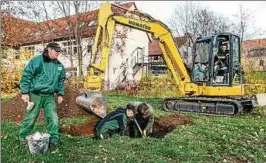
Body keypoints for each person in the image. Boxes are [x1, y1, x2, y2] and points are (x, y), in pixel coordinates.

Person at [19, 42, 66, 147]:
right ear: (49, 49)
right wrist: (24, 92)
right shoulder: (37, 61)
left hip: (49, 96)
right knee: (31, 117)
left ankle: (54, 139)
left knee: (53, 117)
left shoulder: (58, 65)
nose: (58, 53)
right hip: (35, 95)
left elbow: (61, 80)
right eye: (56, 51)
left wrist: (60, 94)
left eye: (59, 51)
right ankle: (23, 137)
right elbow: (27, 76)